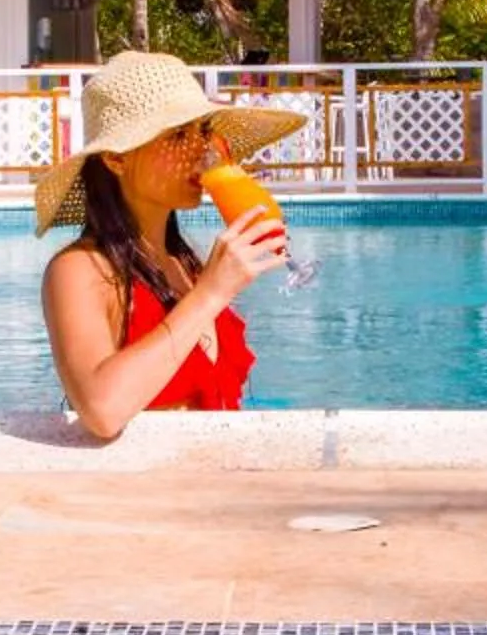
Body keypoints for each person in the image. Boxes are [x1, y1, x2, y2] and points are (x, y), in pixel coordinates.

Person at [34, 50, 307, 439]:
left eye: (202, 131)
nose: (201, 150)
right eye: (179, 135)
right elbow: (102, 410)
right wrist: (211, 293)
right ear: (116, 158)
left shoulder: (185, 263)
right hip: (145, 493)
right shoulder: (80, 270)